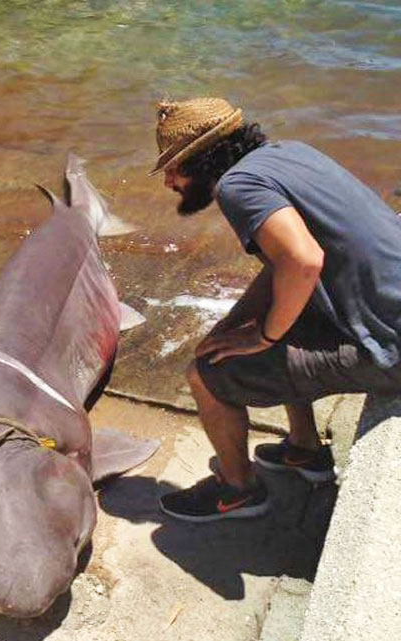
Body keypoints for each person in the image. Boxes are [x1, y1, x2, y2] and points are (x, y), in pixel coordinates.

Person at [149, 97, 401, 522]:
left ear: (202, 158)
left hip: (390, 348)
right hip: (387, 311)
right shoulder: (291, 153)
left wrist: (263, 336)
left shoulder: (237, 186)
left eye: (173, 167)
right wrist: (238, 325)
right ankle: (304, 450)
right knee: (271, 323)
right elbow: (282, 267)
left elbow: (302, 262)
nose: (169, 182)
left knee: (207, 373)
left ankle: (237, 491)